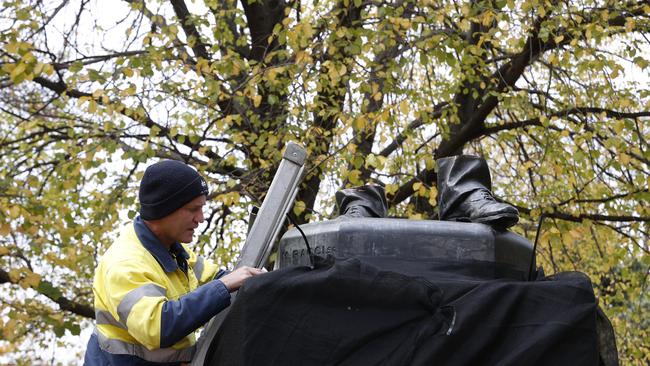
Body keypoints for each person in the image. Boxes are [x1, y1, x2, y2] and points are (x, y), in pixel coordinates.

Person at [84, 160, 265, 365]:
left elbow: (216, 277)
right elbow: (158, 327)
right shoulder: (125, 263)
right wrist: (223, 286)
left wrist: (261, 281)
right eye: (193, 209)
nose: (201, 218)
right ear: (164, 209)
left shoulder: (173, 251)